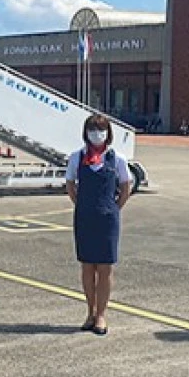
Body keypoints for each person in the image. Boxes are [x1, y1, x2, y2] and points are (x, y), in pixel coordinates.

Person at [65, 114, 133, 336]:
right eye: (92, 130)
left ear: (108, 133)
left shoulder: (117, 159)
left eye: (101, 130)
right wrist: (82, 204)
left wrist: (114, 208)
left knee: (105, 267)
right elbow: (70, 185)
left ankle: (102, 314)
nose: (97, 134)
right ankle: (90, 312)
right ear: (86, 133)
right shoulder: (77, 157)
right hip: (85, 217)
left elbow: (126, 186)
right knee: (87, 266)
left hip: (107, 219)